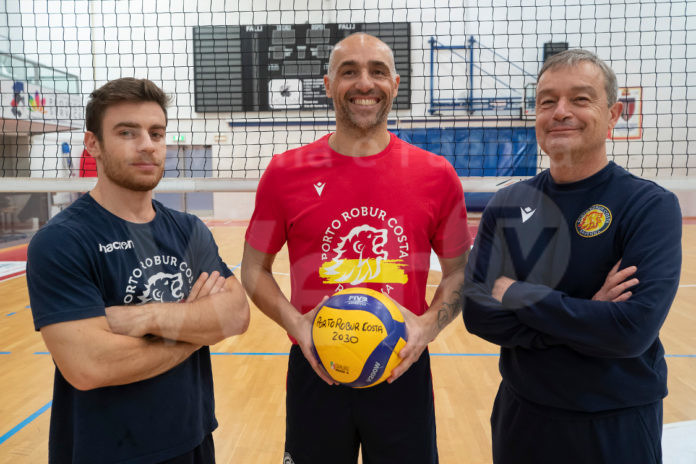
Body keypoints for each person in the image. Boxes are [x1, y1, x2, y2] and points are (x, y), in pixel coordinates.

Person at [241, 33, 473, 464]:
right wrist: (297, 324)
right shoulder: (284, 173)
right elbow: (254, 268)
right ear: (328, 84)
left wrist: (427, 327)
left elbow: (461, 272)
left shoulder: (436, 175)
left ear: (395, 85)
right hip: (316, 368)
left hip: (401, 367)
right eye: (349, 71)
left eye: (377, 71)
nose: (364, 83)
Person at [462, 49, 682, 463]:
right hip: (523, 415)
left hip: (615, 421)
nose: (560, 111)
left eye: (580, 99)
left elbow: (630, 331)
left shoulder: (650, 206)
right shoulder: (508, 204)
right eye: (547, 101)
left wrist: (517, 294)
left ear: (613, 114)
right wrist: (589, 312)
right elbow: (478, 315)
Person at [26, 77, 250, 464]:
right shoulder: (61, 241)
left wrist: (145, 317)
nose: (147, 144)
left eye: (156, 133)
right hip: (107, 452)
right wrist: (198, 329)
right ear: (93, 144)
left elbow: (236, 314)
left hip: (194, 439)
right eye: (127, 132)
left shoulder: (188, 229)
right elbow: (90, 366)